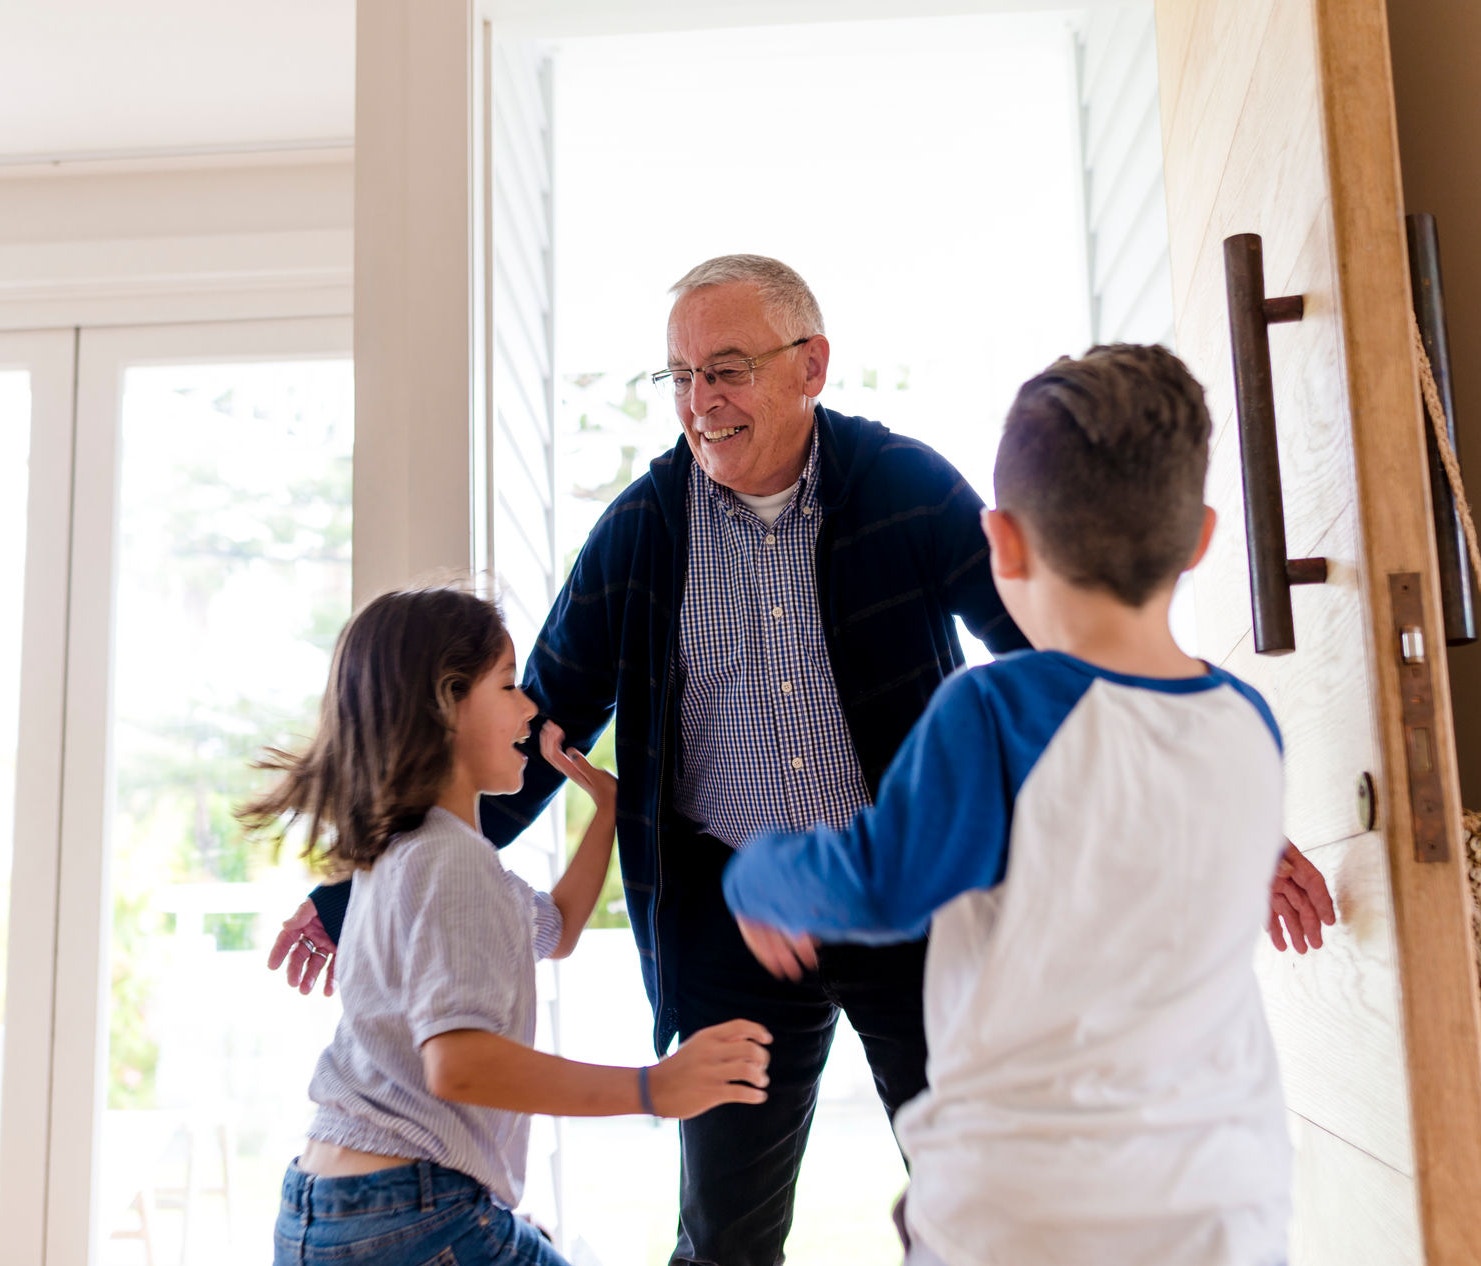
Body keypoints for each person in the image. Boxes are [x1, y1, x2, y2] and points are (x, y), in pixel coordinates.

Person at [271, 257, 1332, 1265]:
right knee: (725, 1234)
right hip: (729, 925)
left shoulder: (904, 487)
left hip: (900, 900)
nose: (699, 401)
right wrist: (349, 899)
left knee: (965, 1170)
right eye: (680, 377)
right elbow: (529, 728)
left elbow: (1067, 649)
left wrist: (1240, 824)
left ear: (807, 366)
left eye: (725, 370)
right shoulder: (644, 528)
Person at [723, 344, 1293, 1266]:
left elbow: (879, 882)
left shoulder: (1002, 711)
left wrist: (761, 872)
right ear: (1199, 536)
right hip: (1223, 1206)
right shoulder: (1249, 726)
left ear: (1003, 544)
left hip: (1029, 1210)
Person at [241, 584, 770, 1266]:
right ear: (446, 703)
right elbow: (459, 1065)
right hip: (410, 1213)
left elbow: (557, 929)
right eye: (508, 686)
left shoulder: (408, 853)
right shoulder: (450, 861)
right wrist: (653, 1087)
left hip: (323, 1206)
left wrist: (605, 811)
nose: (529, 708)